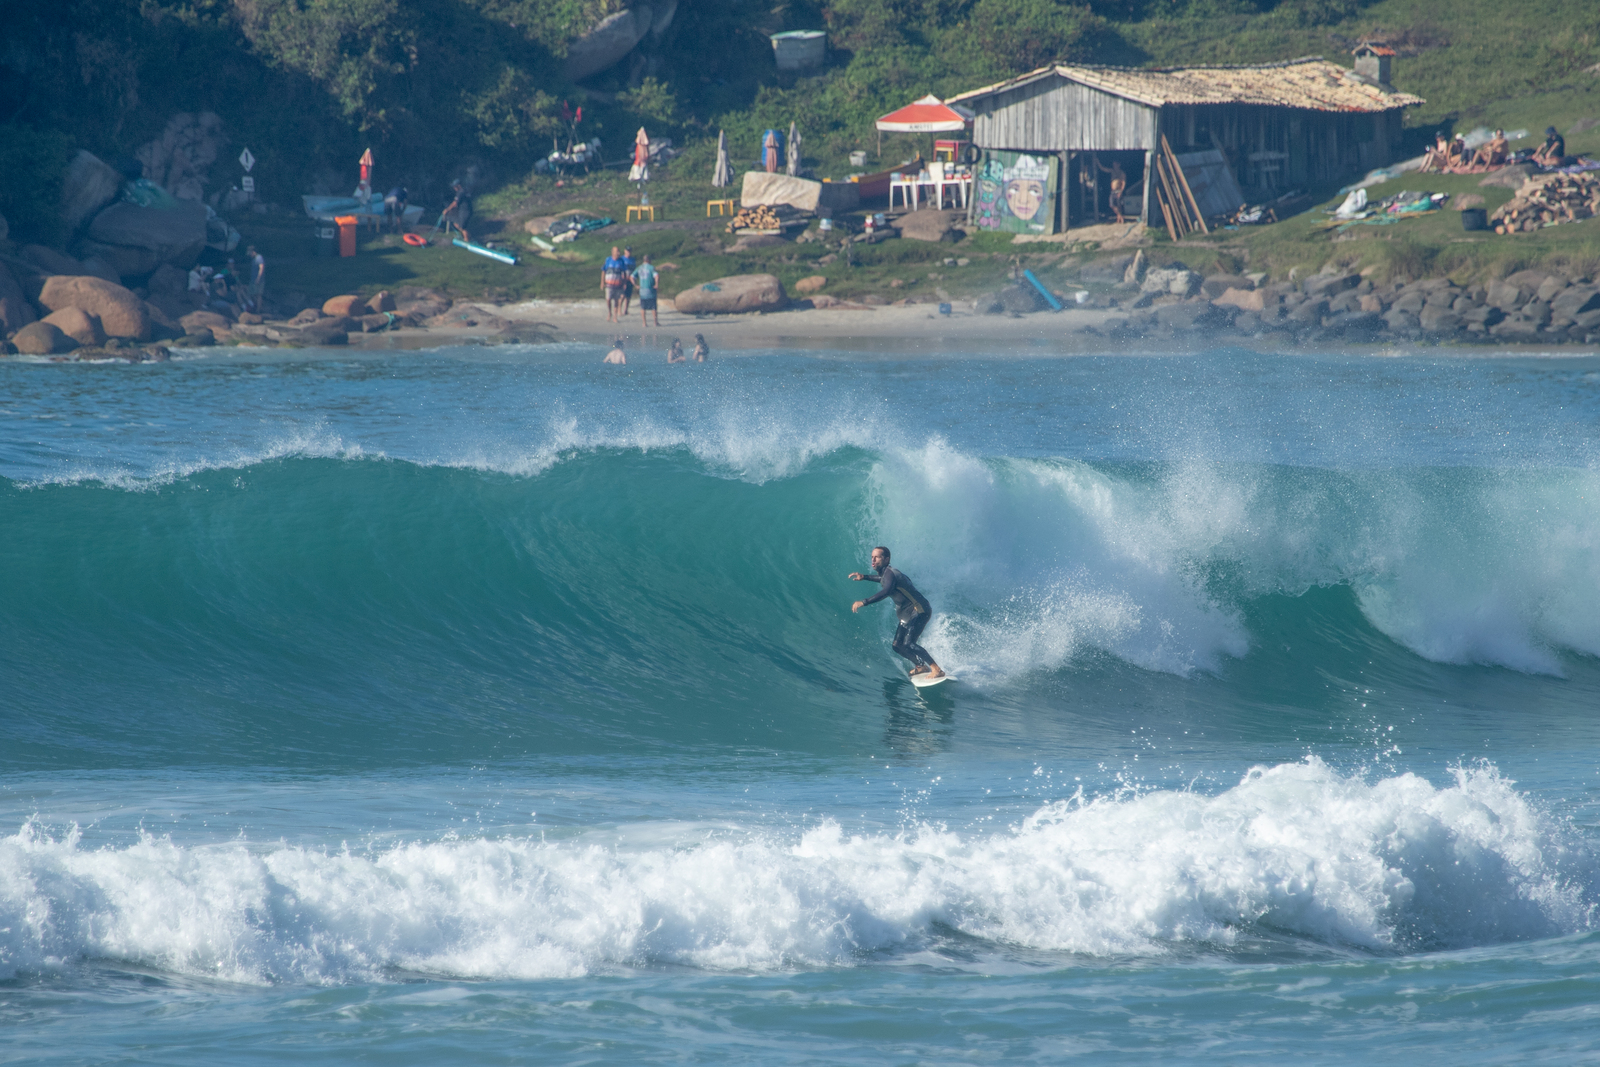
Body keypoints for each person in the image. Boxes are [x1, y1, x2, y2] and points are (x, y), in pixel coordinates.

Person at [849, 545, 943, 679]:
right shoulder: (885, 574)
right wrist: (864, 576)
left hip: (919, 610)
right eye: (872, 557)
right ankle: (920, 666)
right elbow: (881, 579)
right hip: (908, 614)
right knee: (897, 646)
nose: (873, 560)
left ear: (886, 559)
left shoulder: (891, 573)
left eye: (877, 557)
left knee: (909, 644)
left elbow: (886, 591)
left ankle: (936, 669)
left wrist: (864, 602)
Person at [1097, 158, 1128, 224]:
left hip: (1118, 191)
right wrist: (1098, 163)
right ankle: (1119, 216)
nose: (1114, 166)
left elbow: (1123, 183)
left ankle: (1120, 218)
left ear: (1118, 165)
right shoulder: (1112, 171)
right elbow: (1103, 169)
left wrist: (1121, 191)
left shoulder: (1122, 173)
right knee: (1112, 205)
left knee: (1119, 205)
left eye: (1115, 164)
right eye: (1113, 165)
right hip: (1113, 191)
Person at [633, 253, 660, 327]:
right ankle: (655, 322)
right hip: (650, 289)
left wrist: (635, 285)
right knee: (653, 307)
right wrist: (656, 284)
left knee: (643, 307)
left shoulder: (639, 268)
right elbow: (656, 276)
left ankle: (644, 323)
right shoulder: (651, 268)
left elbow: (632, 276)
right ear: (649, 260)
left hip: (642, 290)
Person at [601, 246, 626, 322]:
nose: (618, 253)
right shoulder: (608, 260)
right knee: (608, 299)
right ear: (613, 252)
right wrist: (602, 282)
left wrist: (624, 283)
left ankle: (615, 316)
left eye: (619, 251)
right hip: (609, 284)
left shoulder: (621, 261)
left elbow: (624, 272)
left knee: (616, 300)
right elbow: (603, 271)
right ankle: (609, 313)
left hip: (618, 284)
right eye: (617, 251)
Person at [620, 247, 637, 317]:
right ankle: (619, 309)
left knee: (628, 296)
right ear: (625, 251)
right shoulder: (622, 259)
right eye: (627, 251)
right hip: (623, 279)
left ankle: (625, 310)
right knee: (622, 295)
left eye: (630, 251)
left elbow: (634, 270)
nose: (629, 252)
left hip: (630, 279)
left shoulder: (633, 260)